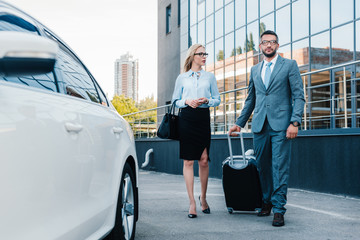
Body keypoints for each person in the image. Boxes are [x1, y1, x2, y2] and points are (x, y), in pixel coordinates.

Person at [228, 30, 305, 227]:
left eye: (272, 42)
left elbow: (299, 95)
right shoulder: (255, 70)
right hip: (260, 125)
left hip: (282, 125)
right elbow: (251, 100)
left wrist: (295, 122)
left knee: (279, 166)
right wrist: (239, 122)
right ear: (260, 46)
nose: (268, 45)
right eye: (265, 42)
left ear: (277, 45)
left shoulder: (289, 65)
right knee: (262, 165)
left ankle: (279, 209)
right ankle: (267, 201)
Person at [172, 44, 221, 218]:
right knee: (188, 161)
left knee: (204, 160)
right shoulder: (182, 78)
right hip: (186, 118)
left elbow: (218, 100)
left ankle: (204, 198)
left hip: (202, 118)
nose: (204, 56)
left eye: (205, 53)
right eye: (201, 54)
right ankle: (192, 202)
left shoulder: (210, 77)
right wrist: (186, 101)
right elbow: (175, 101)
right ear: (193, 56)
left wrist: (207, 100)